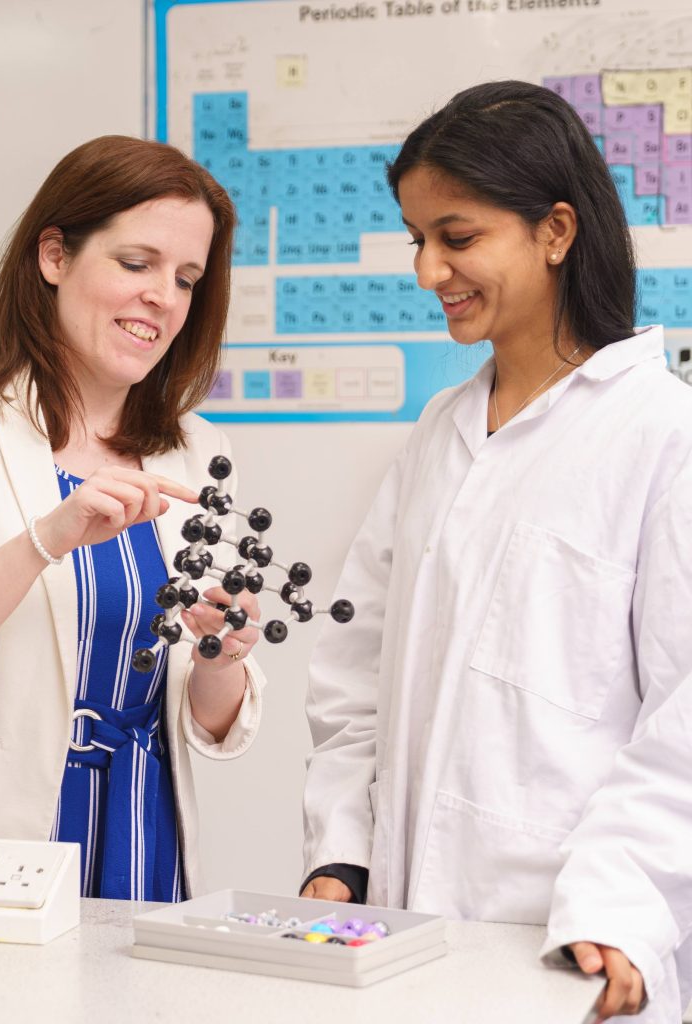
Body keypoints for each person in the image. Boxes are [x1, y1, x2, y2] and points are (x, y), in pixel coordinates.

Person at [300, 81, 692, 1022]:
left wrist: (617, 902)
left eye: (459, 236)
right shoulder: (439, 433)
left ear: (556, 231)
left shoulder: (663, 434)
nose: (430, 269)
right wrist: (339, 856)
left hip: (572, 943)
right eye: (417, 239)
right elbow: (356, 678)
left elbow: (685, 714)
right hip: (401, 934)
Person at [0, 135, 266, 902]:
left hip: (143, 842)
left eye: (187, 279)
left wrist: (221, 655)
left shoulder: (197, 450)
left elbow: (209, 723)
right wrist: (44, 540)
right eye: (136, 264)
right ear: (54, 256)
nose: (163, 297)